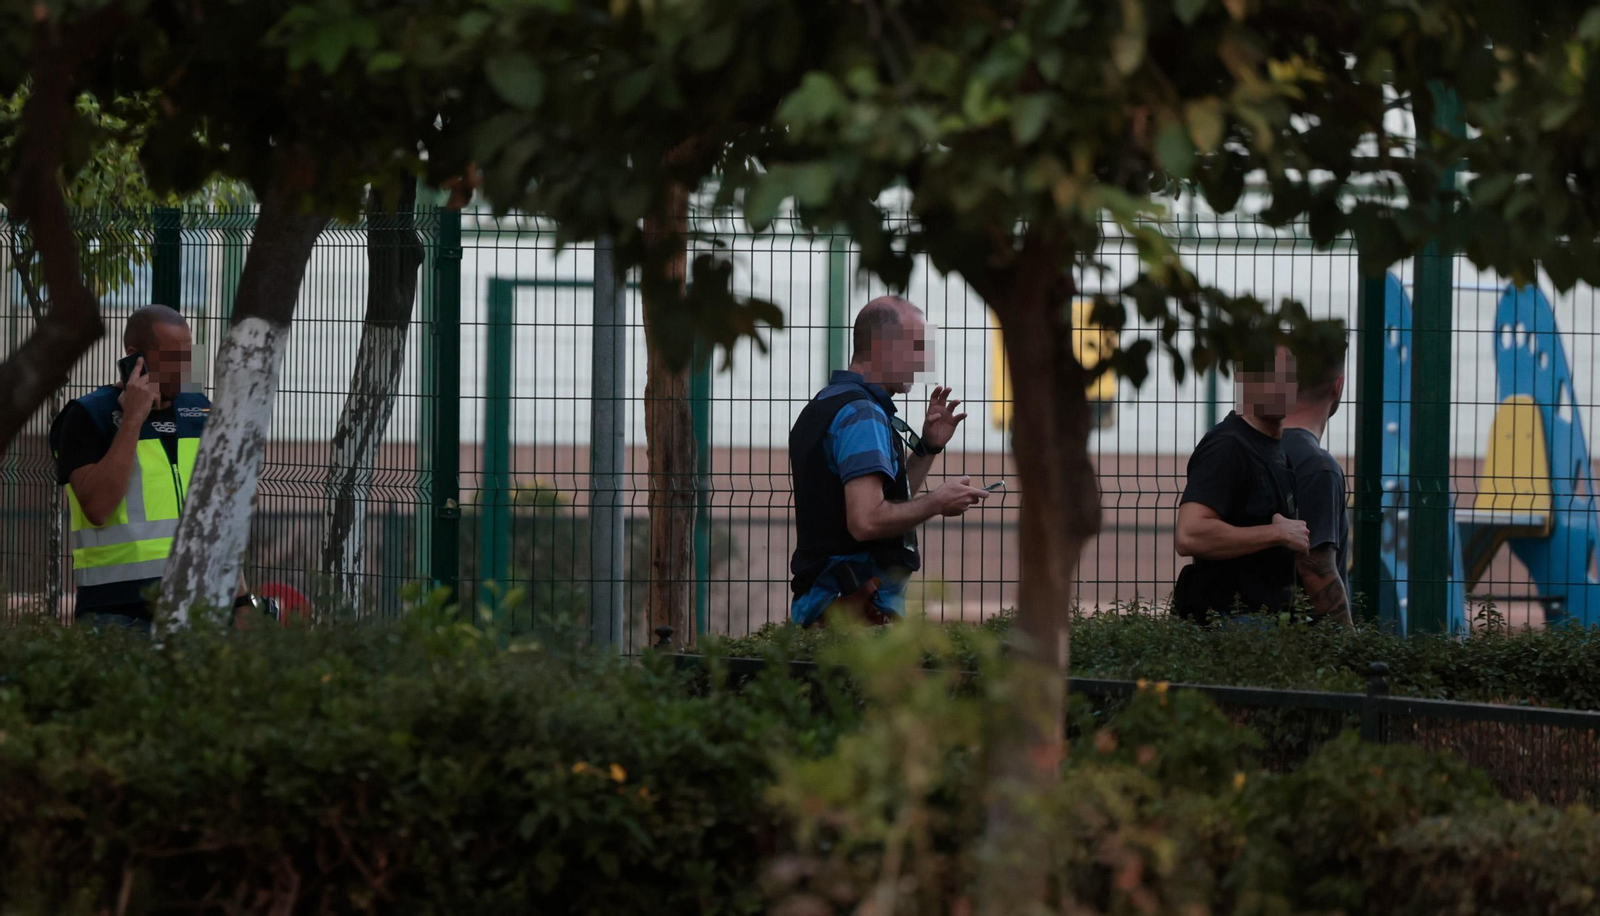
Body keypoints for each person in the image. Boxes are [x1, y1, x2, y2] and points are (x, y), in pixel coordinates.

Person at [49, 305, 253, 632]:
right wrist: (132, 419)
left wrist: (242, 600)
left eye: (188, 356)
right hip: (117, 612)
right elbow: (98, 507)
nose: (184, 368)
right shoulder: (88, 416)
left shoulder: (200, 411)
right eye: (173, 357)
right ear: (135, 356)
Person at [788, 296, 989, 627]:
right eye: (916, 346)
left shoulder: (830, 403)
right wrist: (937, 502)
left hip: (827, 609)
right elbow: (866, 520)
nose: (924, 358)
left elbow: (885, 499)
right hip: (851, 618)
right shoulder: (861, 414)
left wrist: (927, 447)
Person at [1173, 345, 1309, 622]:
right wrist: (1277, 534)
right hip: (1229, 629)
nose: (1280, 385)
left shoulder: (1277, 451)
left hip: (1264, 630)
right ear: (1243, 379)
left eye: (1288, 375)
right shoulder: (1227, 447)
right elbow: (1189, 535)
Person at [1281, 342, 1356, 628]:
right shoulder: (1319, 468)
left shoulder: (1252, 448)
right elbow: (1315, 569)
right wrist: (1351, 648)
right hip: (1297, 644)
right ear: (1338, 386)